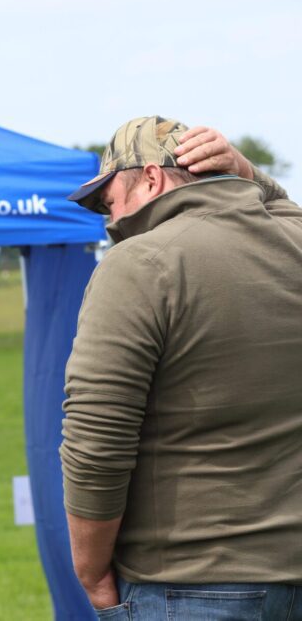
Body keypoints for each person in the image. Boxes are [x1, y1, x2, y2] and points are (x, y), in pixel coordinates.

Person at [61, 117, 302, 618]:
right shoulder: (291, 243)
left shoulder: (138, 264)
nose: (110, 222)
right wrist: (241, 169)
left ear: (152, 179)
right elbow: (282, 207)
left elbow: (96, 440)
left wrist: (90, 569)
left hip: (189, 581)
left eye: (111, 201)